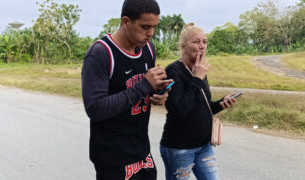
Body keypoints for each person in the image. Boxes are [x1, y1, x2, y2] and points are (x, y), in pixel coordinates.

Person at [81, 0, 172, 179]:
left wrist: (159, 93)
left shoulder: (148, 49)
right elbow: (95, 108)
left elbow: (143, 90)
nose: (151, 33)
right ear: (125, 21)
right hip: (112, 157)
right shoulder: (101, 53)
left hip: (142, 151)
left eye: (154, 27)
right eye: (145, 26)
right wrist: (144, 85)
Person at [159, 23, 236, 180]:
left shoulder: (199, 70)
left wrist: (221, 104)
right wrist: (197, 78)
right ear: (183, 46)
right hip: (179, 148)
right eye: (196, 42)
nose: (202, 46)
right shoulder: (173, 71)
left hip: (204, 146)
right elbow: (180, 110)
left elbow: (201, 106)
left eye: (205, 42)